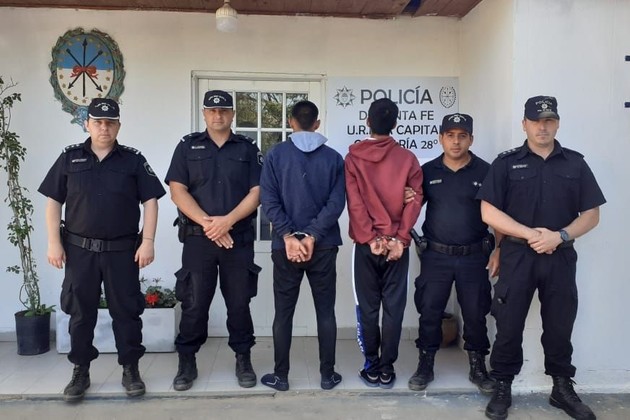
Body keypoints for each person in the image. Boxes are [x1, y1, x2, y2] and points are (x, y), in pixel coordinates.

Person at [477, 96, 606, 420]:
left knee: (560, 324)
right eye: (536, 120)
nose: (542, 126)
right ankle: (502, 385)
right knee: (509, 324)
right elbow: (488, 211)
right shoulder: (506, 163)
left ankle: (561, 388)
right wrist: (530, 234)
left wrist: (559, 236)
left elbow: (591, 214)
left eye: (549, 120)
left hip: (559, 256)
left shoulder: (575, 163)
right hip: (518, 256)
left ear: (558, 123)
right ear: (524, 124)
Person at [39, 98, 166, 402]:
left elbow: (150, 201)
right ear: (87, 124)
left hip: (122, 251)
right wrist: (53, 242)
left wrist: (148, 241)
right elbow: (53, 201)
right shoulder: (70, 158)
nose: (104, 128)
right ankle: (80, 371)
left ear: (118, 125)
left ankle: (130, 369)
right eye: (98, 122)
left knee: (127, 311)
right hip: (79, 251)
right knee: (80, 313)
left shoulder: (133, 160)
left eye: (110, 122)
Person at [164, 90, 262, 391]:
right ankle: (187, 362)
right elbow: (177, 190)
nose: (217, 115)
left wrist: (227, 222)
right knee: (194, 303)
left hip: (237, 239)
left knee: (239, 303)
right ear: (204, 113)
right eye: (212, 110)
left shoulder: (247, 148)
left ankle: (243, 359)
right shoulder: (187, 146)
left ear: (232, 114)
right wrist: (209, 224)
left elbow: (257, 191)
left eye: (223, 111)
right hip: (199, 240)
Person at [409, 113, 500, 394]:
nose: (456, 141)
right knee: (429, 311)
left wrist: (499, 250)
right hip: (436, 255)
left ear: (471, 139)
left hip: (474, 255)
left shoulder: (485, 171)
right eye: (450, 135)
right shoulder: (428, 171)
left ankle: (477, 367)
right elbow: (411, 207)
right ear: (441, 138)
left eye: (462, 136)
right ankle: (425, 365)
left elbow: (498, 214)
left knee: (475, 312)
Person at [259, 100, 346, 391]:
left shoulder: (275, 155)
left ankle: (281, 376)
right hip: (323, 246)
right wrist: (312, 235)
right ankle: (328, 376)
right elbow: (336, 203)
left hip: (285, 248)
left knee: (283, 313)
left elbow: (268, 200)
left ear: (291, 122)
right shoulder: (334, 158)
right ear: (317, 124)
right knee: (326, 312)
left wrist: (288, 236)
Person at [345, 97, 423, 389]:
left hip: (367, 247)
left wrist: (370, 237)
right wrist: (399, 239)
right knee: (393, 308)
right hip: (397, 248)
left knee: (366, 308)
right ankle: (388, 369)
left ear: (367, 121)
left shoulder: (353, 158)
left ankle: (372, 366)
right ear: (395, 124)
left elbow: (355, 204)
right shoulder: (408, 159)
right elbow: (415, 201)